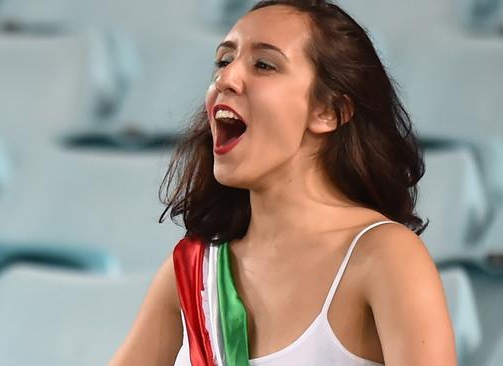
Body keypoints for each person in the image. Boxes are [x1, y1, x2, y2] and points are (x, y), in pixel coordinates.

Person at [109, 0, 457, 365]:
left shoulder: (385, 256)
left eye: (264, 65)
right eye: (224, 61)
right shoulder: (194, 272)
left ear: (329, 112)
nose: (224, 79)